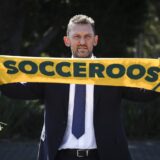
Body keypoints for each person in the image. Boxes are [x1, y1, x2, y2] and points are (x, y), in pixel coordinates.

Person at [0, 14, 159, 160]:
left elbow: (144, 95)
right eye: (77, 36)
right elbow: (16, 91)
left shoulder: (113, 72)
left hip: (104, 155)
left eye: (87, 37)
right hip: (59, 155)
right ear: (67, 40)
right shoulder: (51, 72)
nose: (82, 42)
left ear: (95, 40)